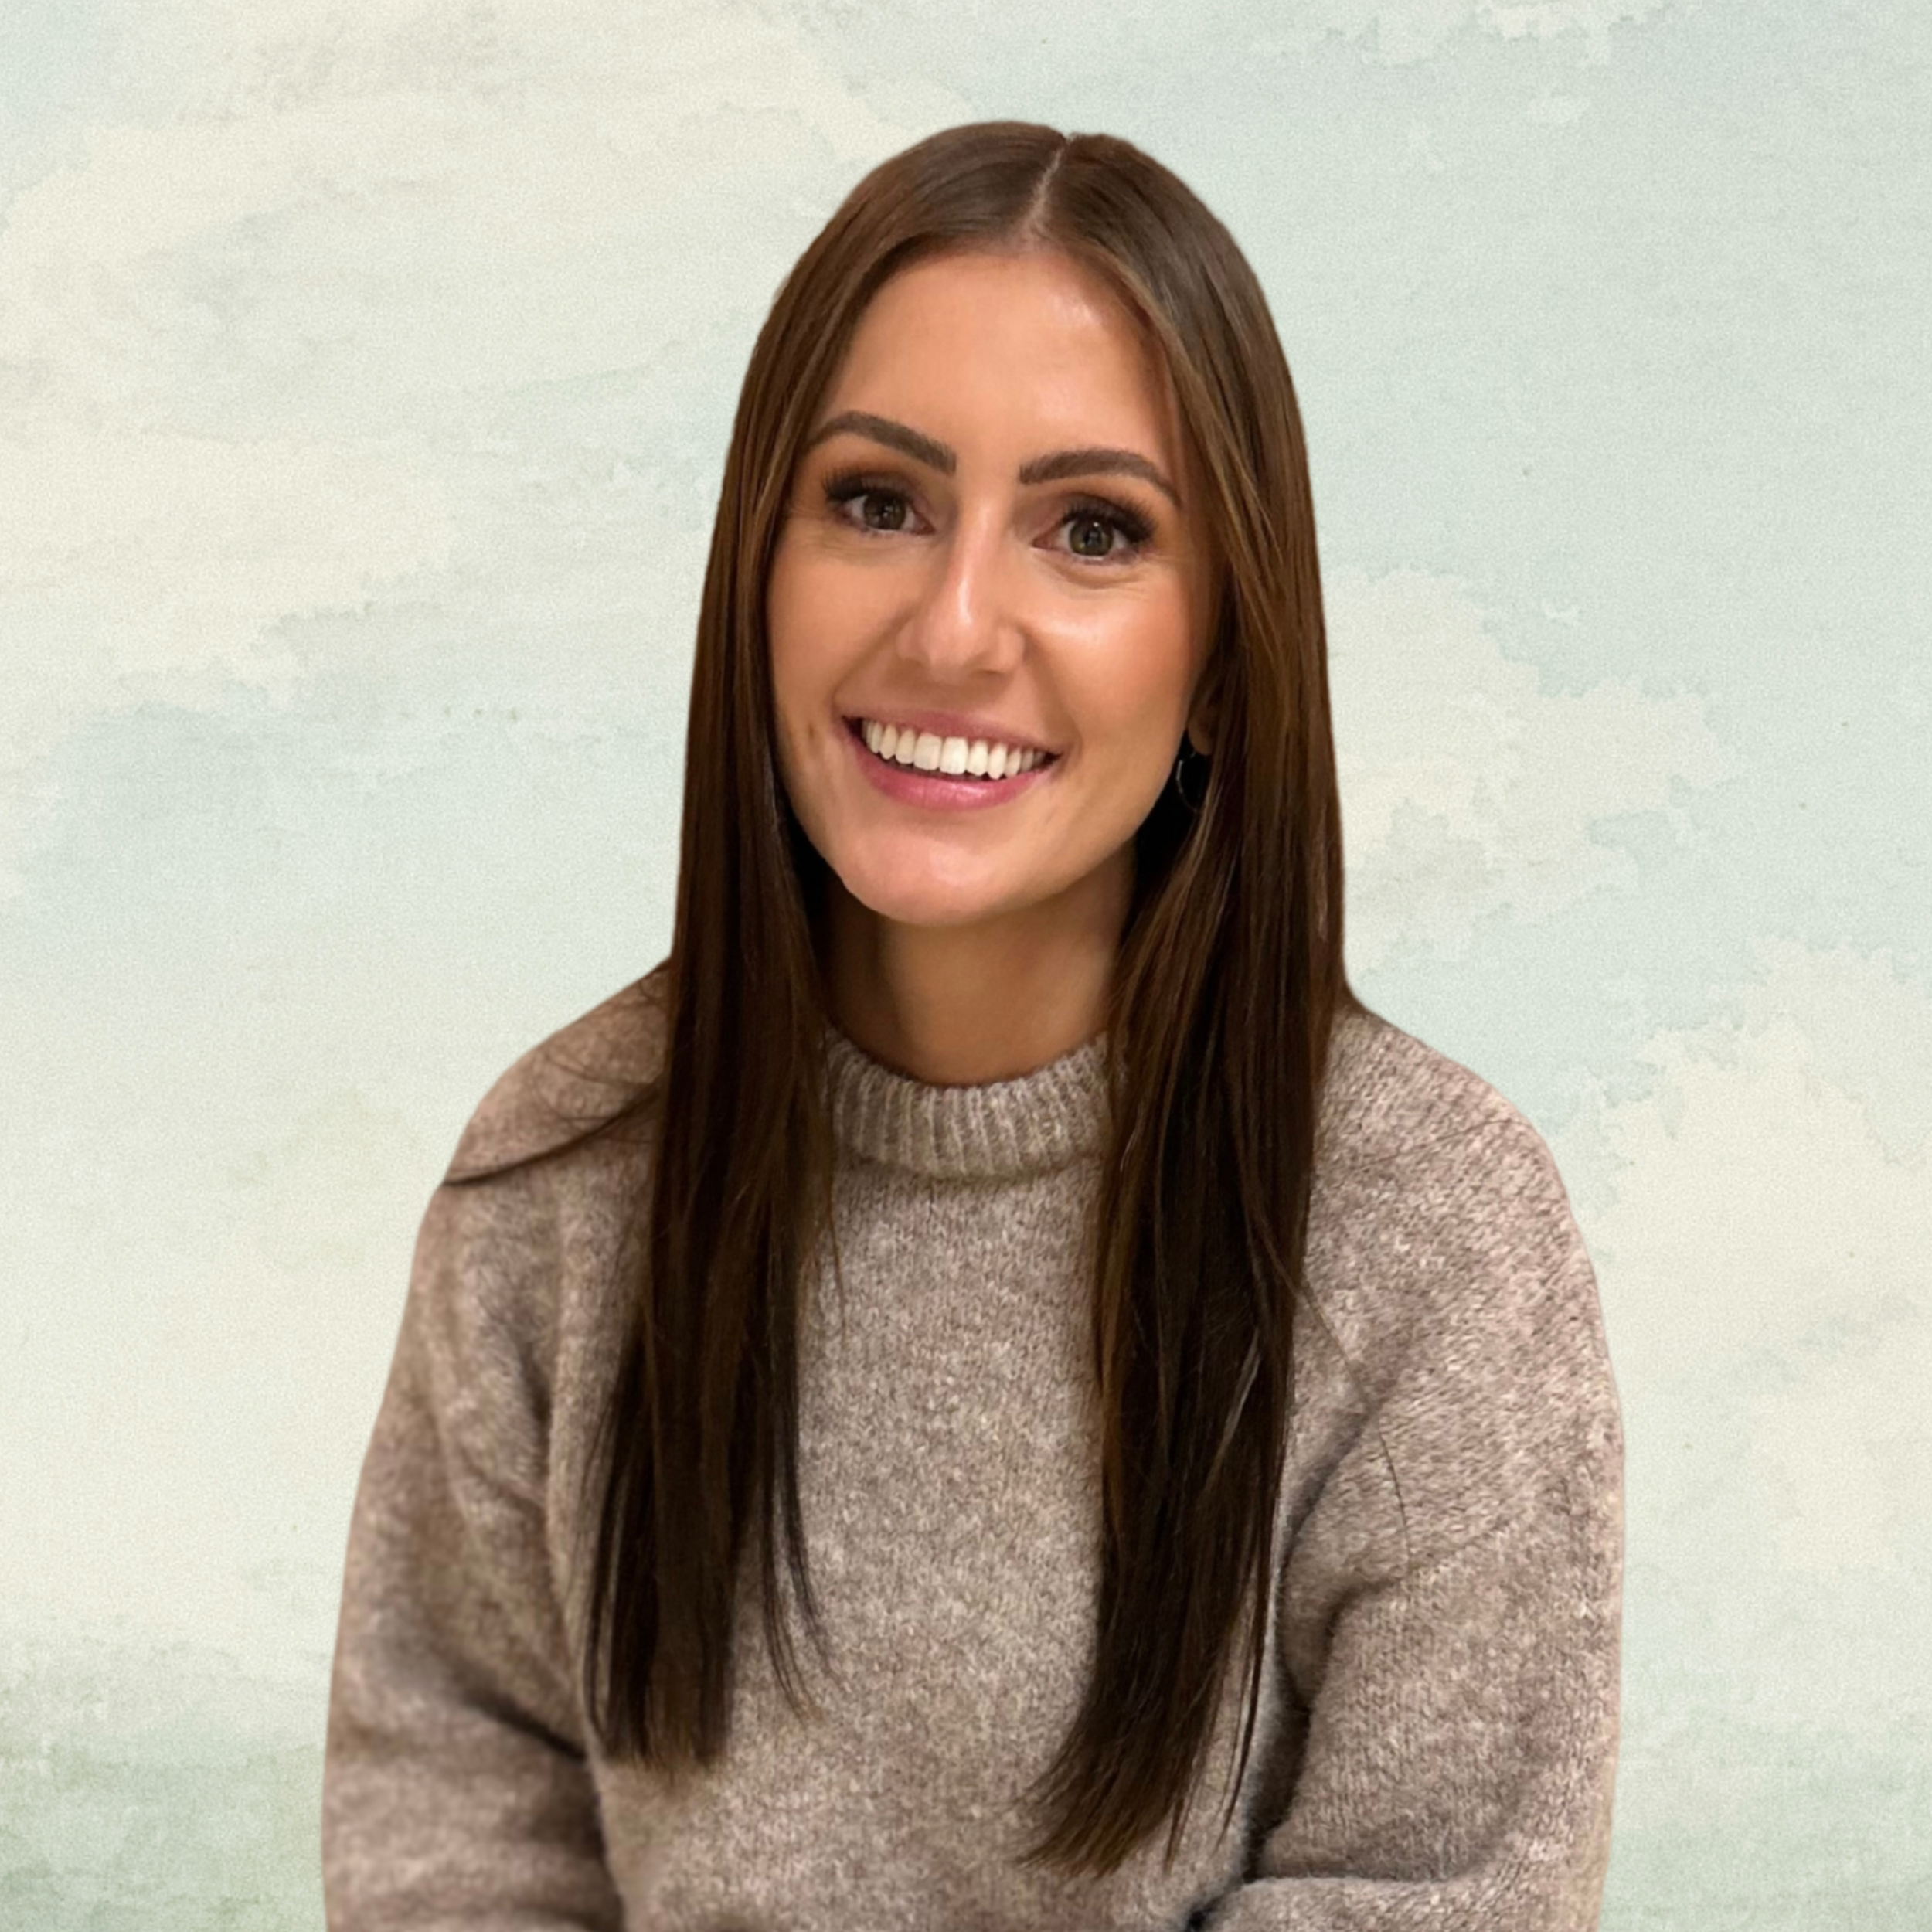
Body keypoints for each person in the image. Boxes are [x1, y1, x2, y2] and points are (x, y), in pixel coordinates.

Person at [321, 121, 1624, 1931]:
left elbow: (1435, 1890)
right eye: (877, 502)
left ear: (1221, 659)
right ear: (757, 567)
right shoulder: (561, 1171)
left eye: (1092, 531)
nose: (953, 627)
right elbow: (455, 1825)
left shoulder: (1426, 1232)